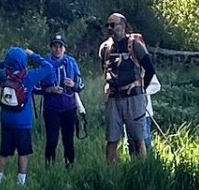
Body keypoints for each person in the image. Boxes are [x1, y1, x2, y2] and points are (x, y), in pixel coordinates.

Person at [97, 12, 155, 164]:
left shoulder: (135, 45)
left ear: (122, 26)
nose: (109, 28)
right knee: (111, 139)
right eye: (107, 25)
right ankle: (110, 172)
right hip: (113, 98)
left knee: (138, 138)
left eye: (113, 24)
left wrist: (141, 90)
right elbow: (104, 70)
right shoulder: (105, 48)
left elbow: (150, 69)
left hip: (133, 97)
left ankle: (142, 169)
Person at [0, 46, 57, 185]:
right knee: (23, 152)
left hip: (6, 120)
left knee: (4, 151)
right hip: (23, 122)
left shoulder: (4, 75)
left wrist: (5, 62)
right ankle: (21, 181)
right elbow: (48, 67)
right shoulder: (28, 77)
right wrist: (33, 55)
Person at [40, 35, 83, 167]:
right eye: (55, 46)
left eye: (60, 46)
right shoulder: (45, 63)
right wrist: (49, 89)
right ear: (51, 48)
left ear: (65, 48)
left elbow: (81, 84)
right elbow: (35, 85)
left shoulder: (71, 62)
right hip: (51, 108)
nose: (58, 49)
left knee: (68, 140)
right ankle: (49, 167)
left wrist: (73, 85)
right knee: (52, 140)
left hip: (69, 107)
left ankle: (70, 167)